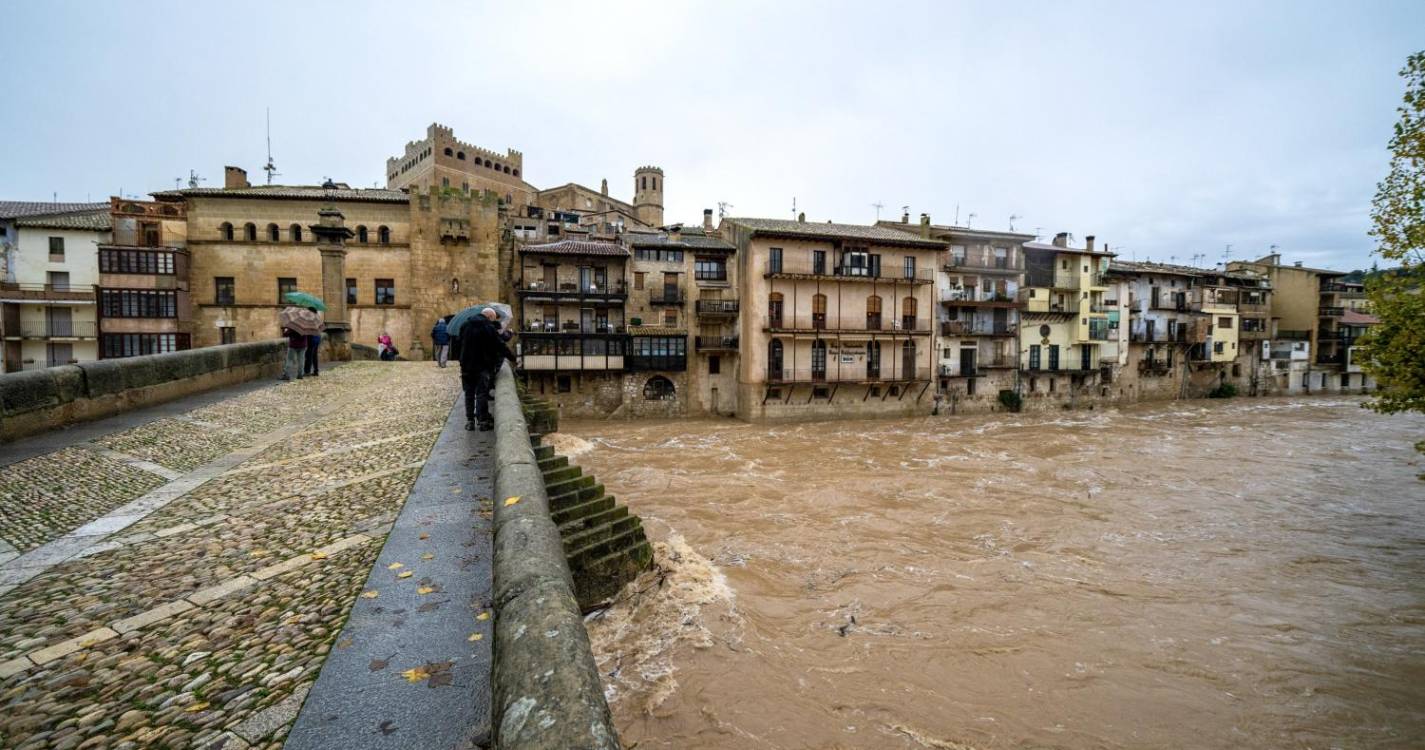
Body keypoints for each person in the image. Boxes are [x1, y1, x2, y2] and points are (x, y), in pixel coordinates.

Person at [457, 308, 515, 431]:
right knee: (481, 393)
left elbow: (459, 342)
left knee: (469, 394)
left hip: (466, 365)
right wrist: (513, 358)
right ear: (489, 317)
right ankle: (482, 421)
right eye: (493, 319)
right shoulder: (488, 327)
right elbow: (500, 345)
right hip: (482, 365)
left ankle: (470, 421)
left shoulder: (465, 325)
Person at [304, 307, 322, 377]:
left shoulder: (311, 319)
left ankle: (307, 371)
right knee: (314, 356)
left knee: (309, 355)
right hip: (317, 339)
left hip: (312, 339)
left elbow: (309, 330)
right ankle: (316, 371)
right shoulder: (317, 319)